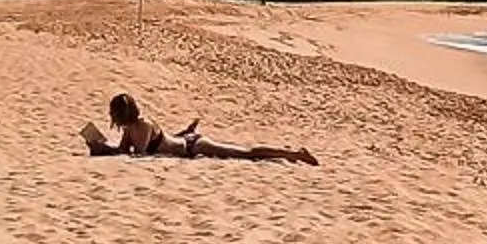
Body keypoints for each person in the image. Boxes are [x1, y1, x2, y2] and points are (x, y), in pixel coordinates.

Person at [81, 92, 317, 165]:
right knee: (245, 155)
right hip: (182, 142)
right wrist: (100, 147)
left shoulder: (142, 126)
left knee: (246, 154)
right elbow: (124, 152)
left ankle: (294, 154)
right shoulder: (129, 129)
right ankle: (291, 154)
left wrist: (110, 152)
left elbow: (140, 155)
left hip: (193, 146)